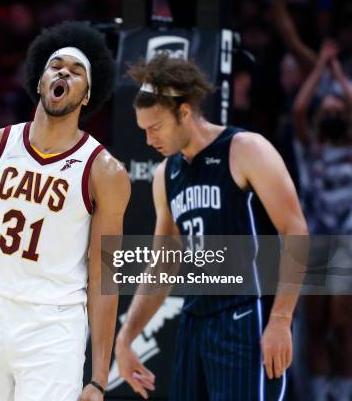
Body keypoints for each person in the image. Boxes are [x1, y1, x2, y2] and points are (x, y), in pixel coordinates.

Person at [0, 21, 129, 401]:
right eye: (55, 66)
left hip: (53, 324)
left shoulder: (104, 171)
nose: (63, 73)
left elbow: (104, 275)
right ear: (40, 81)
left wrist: (99, 378)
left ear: (88, 94)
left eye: (76, 72)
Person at [114, 54, 308, 400]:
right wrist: (125, 337)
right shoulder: (166, 175)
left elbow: (296, 231)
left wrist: (280, 319)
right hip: (195, 321)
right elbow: (162, 266)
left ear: (184, 112)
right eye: (143, 130)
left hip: (246, 314)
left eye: (155, 127)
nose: (148, 140)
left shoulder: (246, 149)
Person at [292, 40, 352, 401]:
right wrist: (320, 70)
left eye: (339, 112)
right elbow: (299, 109)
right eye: (327, 111)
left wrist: (339, 77)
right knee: (314, 325)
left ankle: (343, 392)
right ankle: (317, 393)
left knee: (343, 325)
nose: (332, 115)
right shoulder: (308, 145)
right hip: (315, 245)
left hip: (346, 243)